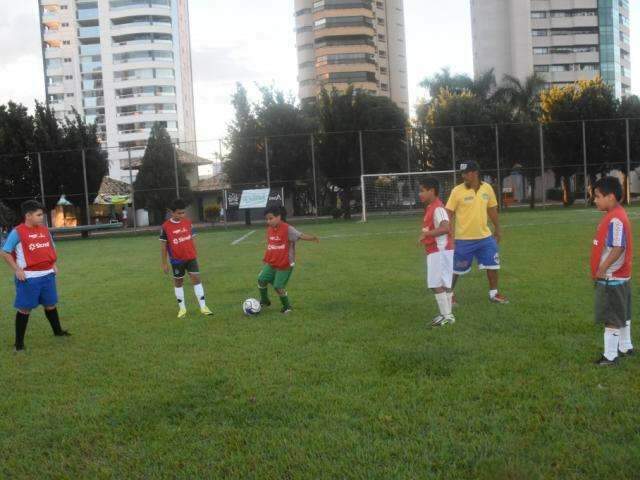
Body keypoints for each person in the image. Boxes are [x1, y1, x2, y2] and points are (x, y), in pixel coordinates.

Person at [1, 200, 71, 352]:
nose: (42, 217)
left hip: (48, 275)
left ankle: (58, 332)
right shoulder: (18, 232)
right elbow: (5, 251)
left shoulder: (45, 230)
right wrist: (17, 269)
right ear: (28, 215)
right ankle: (19, 344)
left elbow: (49, 248)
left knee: (50, 304)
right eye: (39, 215)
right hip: (29, 278)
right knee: (24, 309)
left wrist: (52, 264)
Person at [445, 161, 509, 305]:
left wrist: (497, 228)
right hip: (463, 239)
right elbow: (448, 213)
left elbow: (492, 209)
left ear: (475, 173)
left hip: (485, 238)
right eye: (462, 173)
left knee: (493, 265)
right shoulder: (457, 191)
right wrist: (448, 233)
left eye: (466, 173)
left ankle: (494, 294)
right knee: (456, 269)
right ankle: (449, 295)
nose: (463, 176)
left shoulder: (487, 188)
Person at [591, 177, 634, 366]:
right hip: (621, 276)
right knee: (623, 312)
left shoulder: (615, 218)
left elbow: (618, 247)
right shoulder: (615, 214)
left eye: (597, 196)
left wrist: (602, 268)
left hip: (612, 277)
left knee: (612, 315)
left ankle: (610, 356)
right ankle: (625, 346)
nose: (595, 200)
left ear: (610, 197)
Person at [258, 206, 319, 314]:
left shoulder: (287, 229)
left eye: (271, 218)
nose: (268, 221)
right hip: (272, 262)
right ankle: (265, 301)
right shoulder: (270, 230)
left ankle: (287, 307)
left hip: (285, 263)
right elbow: (271, 245)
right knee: (261, 279)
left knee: (278, 286)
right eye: (266, 219)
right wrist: (266, 258)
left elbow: (300, 235)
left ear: (279, 217)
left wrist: (312, 238)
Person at [160, 198, 213, 318]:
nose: (182, 215)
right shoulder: (165, 227)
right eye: (179, 213)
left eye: (183, 212)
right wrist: (164, 263)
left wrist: (193, 252)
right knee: (178, 282)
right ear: (172, 213)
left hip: (191, 257)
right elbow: (163, 247)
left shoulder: (188, 223)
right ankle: (182, 309)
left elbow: (192, 239)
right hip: (177, 260)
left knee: (197, 279)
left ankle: (204, 307)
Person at [418, 178, 455, 327]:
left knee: (435, 283)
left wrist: (427, 234)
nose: (420, 194)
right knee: (442, 282)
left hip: (440, 250)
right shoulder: (431, 207)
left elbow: (446, 228)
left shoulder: (438, 208)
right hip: (438, 251)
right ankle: (446, 315)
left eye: (422, 190)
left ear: (431, 191)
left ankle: (447, 316)